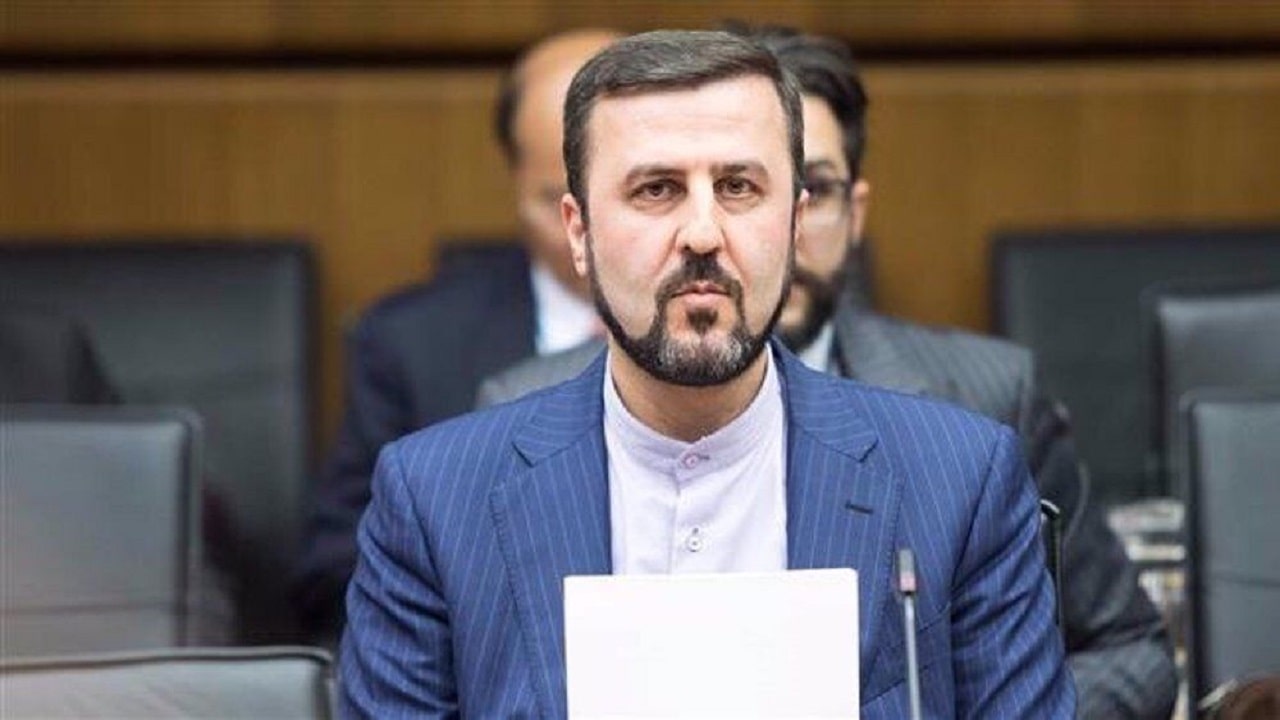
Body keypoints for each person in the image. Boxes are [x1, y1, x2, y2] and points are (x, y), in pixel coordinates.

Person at [341, 29, 1073, 717]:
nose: (701, 233)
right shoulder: (435, 502)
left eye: (738, 188)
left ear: (794, 223)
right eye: (656, 189)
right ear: (580, 232)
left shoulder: (960, 481)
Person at [291, 29, 619, 641]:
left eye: (637, 194)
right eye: (562, 202)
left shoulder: (763, 327)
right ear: (515, 181)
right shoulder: (411, 345)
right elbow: (335, 571)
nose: (595, 232)